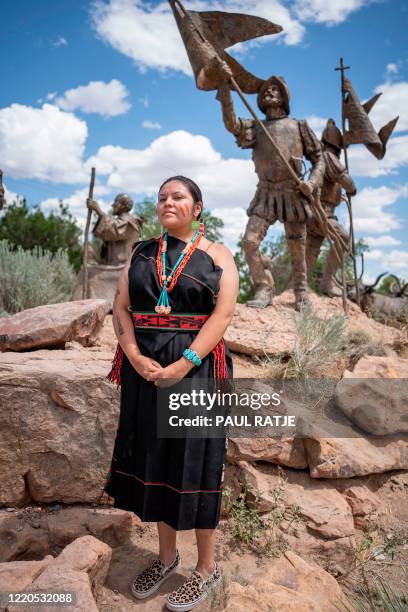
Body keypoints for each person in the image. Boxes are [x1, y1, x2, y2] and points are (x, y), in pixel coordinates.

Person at [103, 176, 239, 611]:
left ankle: (206, 569)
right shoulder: (142, 252)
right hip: (145, 371)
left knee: (195, 466)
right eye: (161, 197)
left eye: (178, 196)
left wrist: (185, 364)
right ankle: (166, 557)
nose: (167, 202)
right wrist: (133, 355)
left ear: (197, 208)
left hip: (196, 373)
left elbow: (222, 316)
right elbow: (120, 307)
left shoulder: (218, 255)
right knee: (157, 461)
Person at [217, 69, 325, 310]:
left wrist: (313, 183)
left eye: (275, 89)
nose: (269, 92)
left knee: (297, 246)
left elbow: (319, 158)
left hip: (293, 193)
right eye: (265, 90)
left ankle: (301, 293)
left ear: (284, 97)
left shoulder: (299, 126)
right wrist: (225, 91)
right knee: (249, 241)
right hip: (265, 193)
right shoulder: (257, 127)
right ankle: (263, 287)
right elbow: (232, 124)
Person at [306, 119, 356, 296]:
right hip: (322, 213)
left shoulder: (321, 158)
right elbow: (346, 181)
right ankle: (327, 283)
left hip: (314, 213)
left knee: (311, 252)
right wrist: (352, 189)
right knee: (343, 238)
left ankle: (297, 287)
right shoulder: (329, 157)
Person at [87, 193, 143, 265]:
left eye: (115, 202)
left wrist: (98, 211)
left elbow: (112, 229)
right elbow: (107, 231)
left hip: (124, 267)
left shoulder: (129, 222)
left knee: (90, 272)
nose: (112, 205)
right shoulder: (122, 220)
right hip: (116, 265)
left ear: (124, 205)